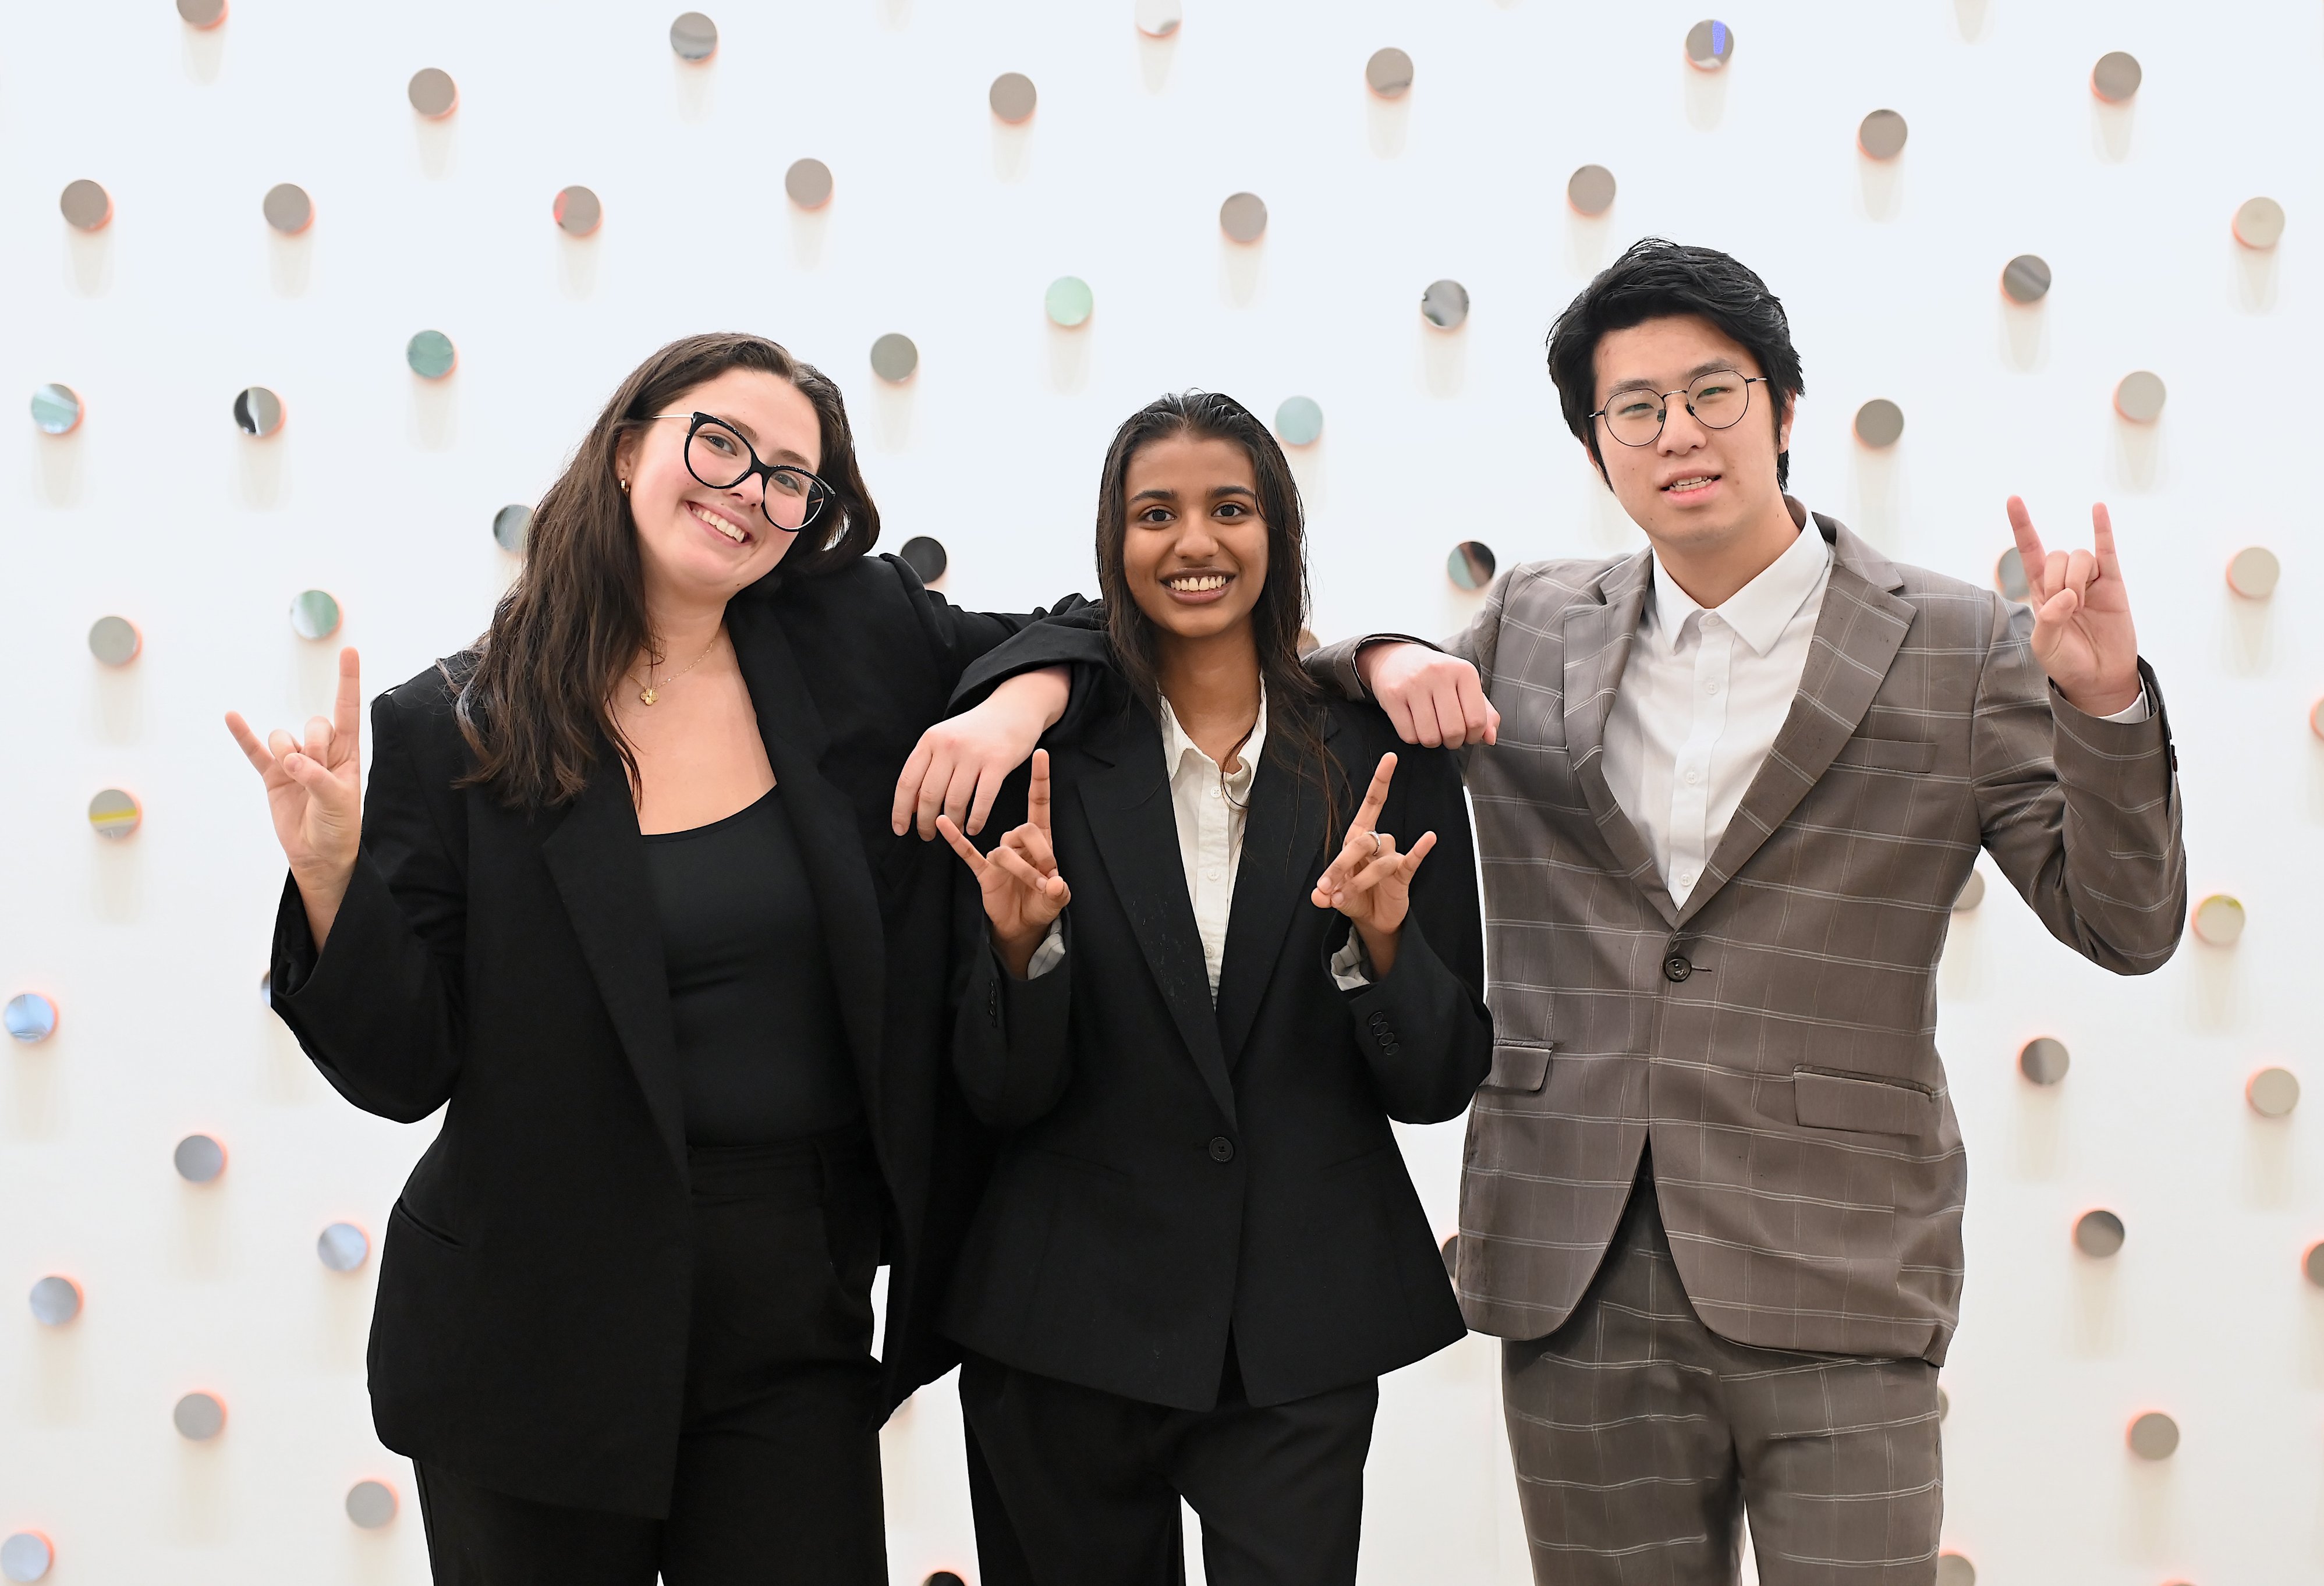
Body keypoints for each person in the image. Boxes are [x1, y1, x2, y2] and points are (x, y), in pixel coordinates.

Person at [1309, 240, 2187, 1583]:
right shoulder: (1530, 619)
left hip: (1838, 1267)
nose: (1677, 432)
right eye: (1634, 407)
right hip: (1573, 1264)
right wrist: (1386, 652)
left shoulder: (1953, 641)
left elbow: (2124, 923)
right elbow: (1318, 686)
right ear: (1595, 447)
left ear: (1782, 409)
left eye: (1710, 392)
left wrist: (2101, 701)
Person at [227, 332, 1082, 1584]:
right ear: (630, 448)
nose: (749, 490)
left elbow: (1086, 632)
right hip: (528, 1320)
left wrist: (1008, 708)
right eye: (719, 443)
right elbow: (403, 1070)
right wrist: (329, 872)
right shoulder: (454, 723)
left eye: (790, 478)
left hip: (792, 1302)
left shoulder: (862, 636)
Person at [930, 392, 1493, 1586]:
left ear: (1277, 529)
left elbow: (1439, 1081)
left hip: (1299, 1323)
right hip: (1062, 1320)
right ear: (1113, 540)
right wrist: (1023, 953)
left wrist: (1384, 944)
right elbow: (996, 1090)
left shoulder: (1380, 752)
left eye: (1229, 508)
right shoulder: (1040, 758)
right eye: (1156, 513)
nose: (1194, 541)